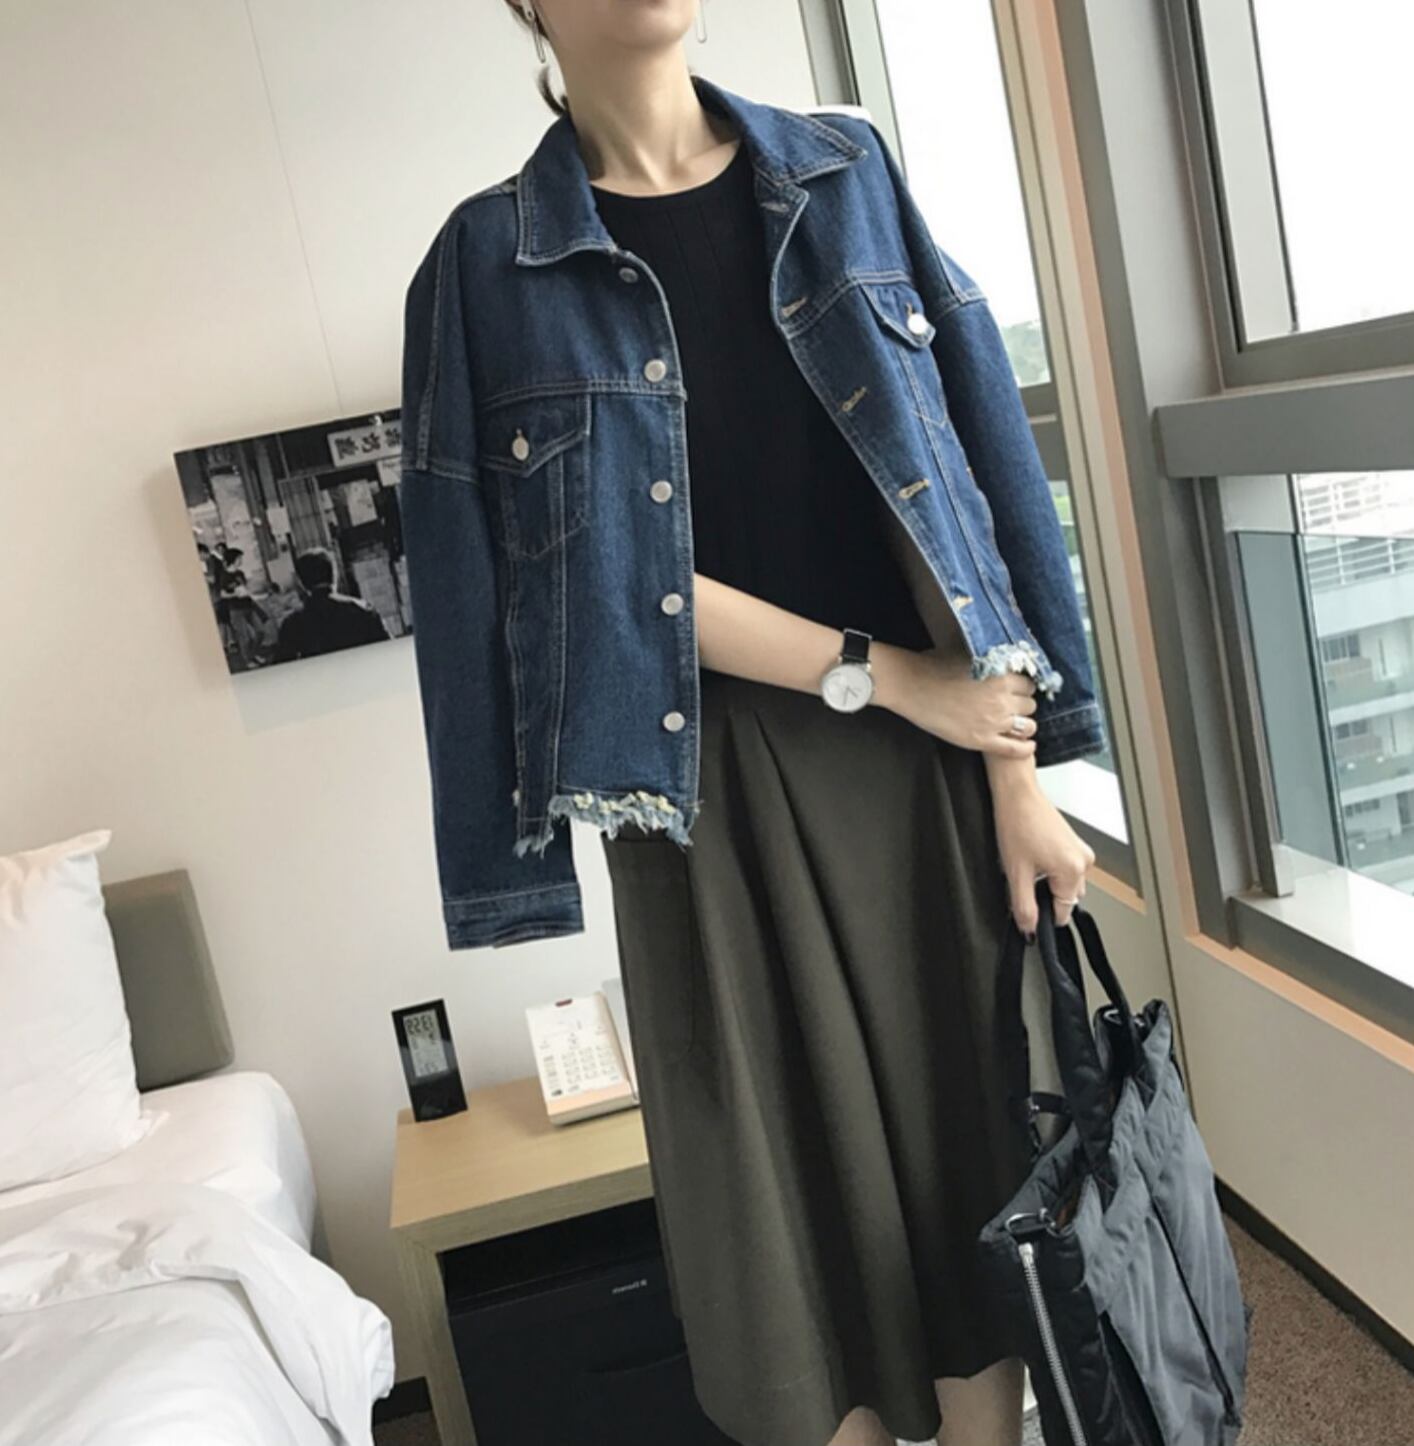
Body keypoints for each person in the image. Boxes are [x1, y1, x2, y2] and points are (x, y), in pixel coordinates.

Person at [398, 6, 1103, 1444]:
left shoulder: (843, 175)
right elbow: (563, 583)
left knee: (966, 1165)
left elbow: (968, 479)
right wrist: (881, 676)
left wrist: (1018, 769)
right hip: (695, 791)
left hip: (928, 762)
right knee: (778, 1219)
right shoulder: (485, 264)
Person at [272, 547, 389, 662]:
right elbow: (388, 654)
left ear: (301, 583)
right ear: (334, 575)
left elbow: (281, 667)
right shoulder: (363, 610)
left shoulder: (293, 626)